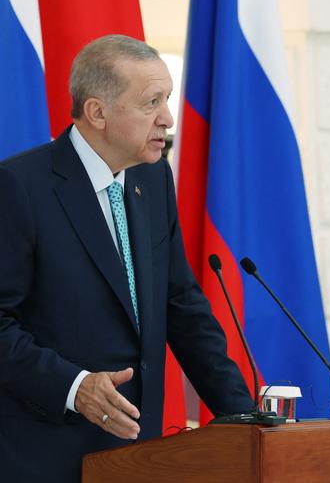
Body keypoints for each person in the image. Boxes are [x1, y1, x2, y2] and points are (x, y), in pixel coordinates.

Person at [0, 35, 253, 482]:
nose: (168, 118)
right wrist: (75, 388)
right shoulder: (19, 187)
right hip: (44, 458)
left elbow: (182, 307)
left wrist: (247, 417)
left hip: (137, 457)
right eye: (151, 102)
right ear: (98, 112)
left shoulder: (152, 180)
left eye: (167, 99)